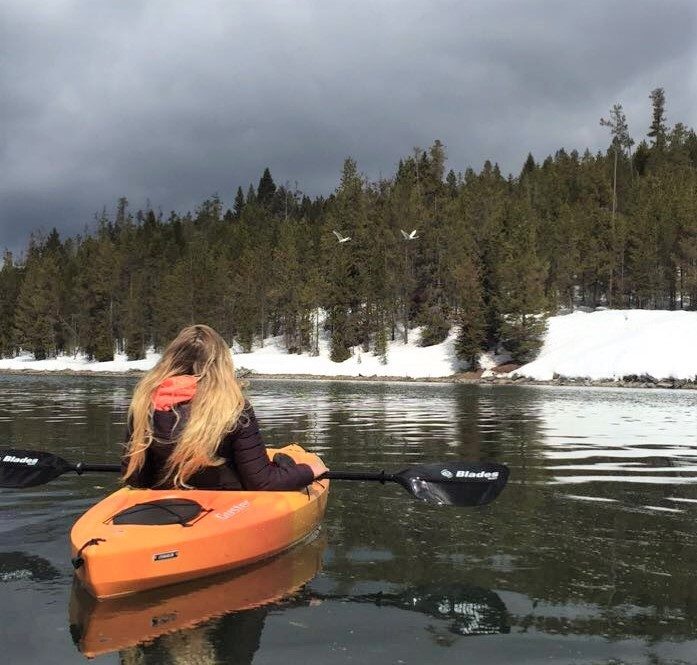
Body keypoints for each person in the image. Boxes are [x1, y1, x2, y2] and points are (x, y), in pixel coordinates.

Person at [121, 324, 327, 490]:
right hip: (226, 508)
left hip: (166, 507)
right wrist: (310, 470)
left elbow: (136, 479)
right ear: (221, 364)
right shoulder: (232, 409)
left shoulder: (144, 403)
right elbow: (263, 482)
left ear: (170, 360)